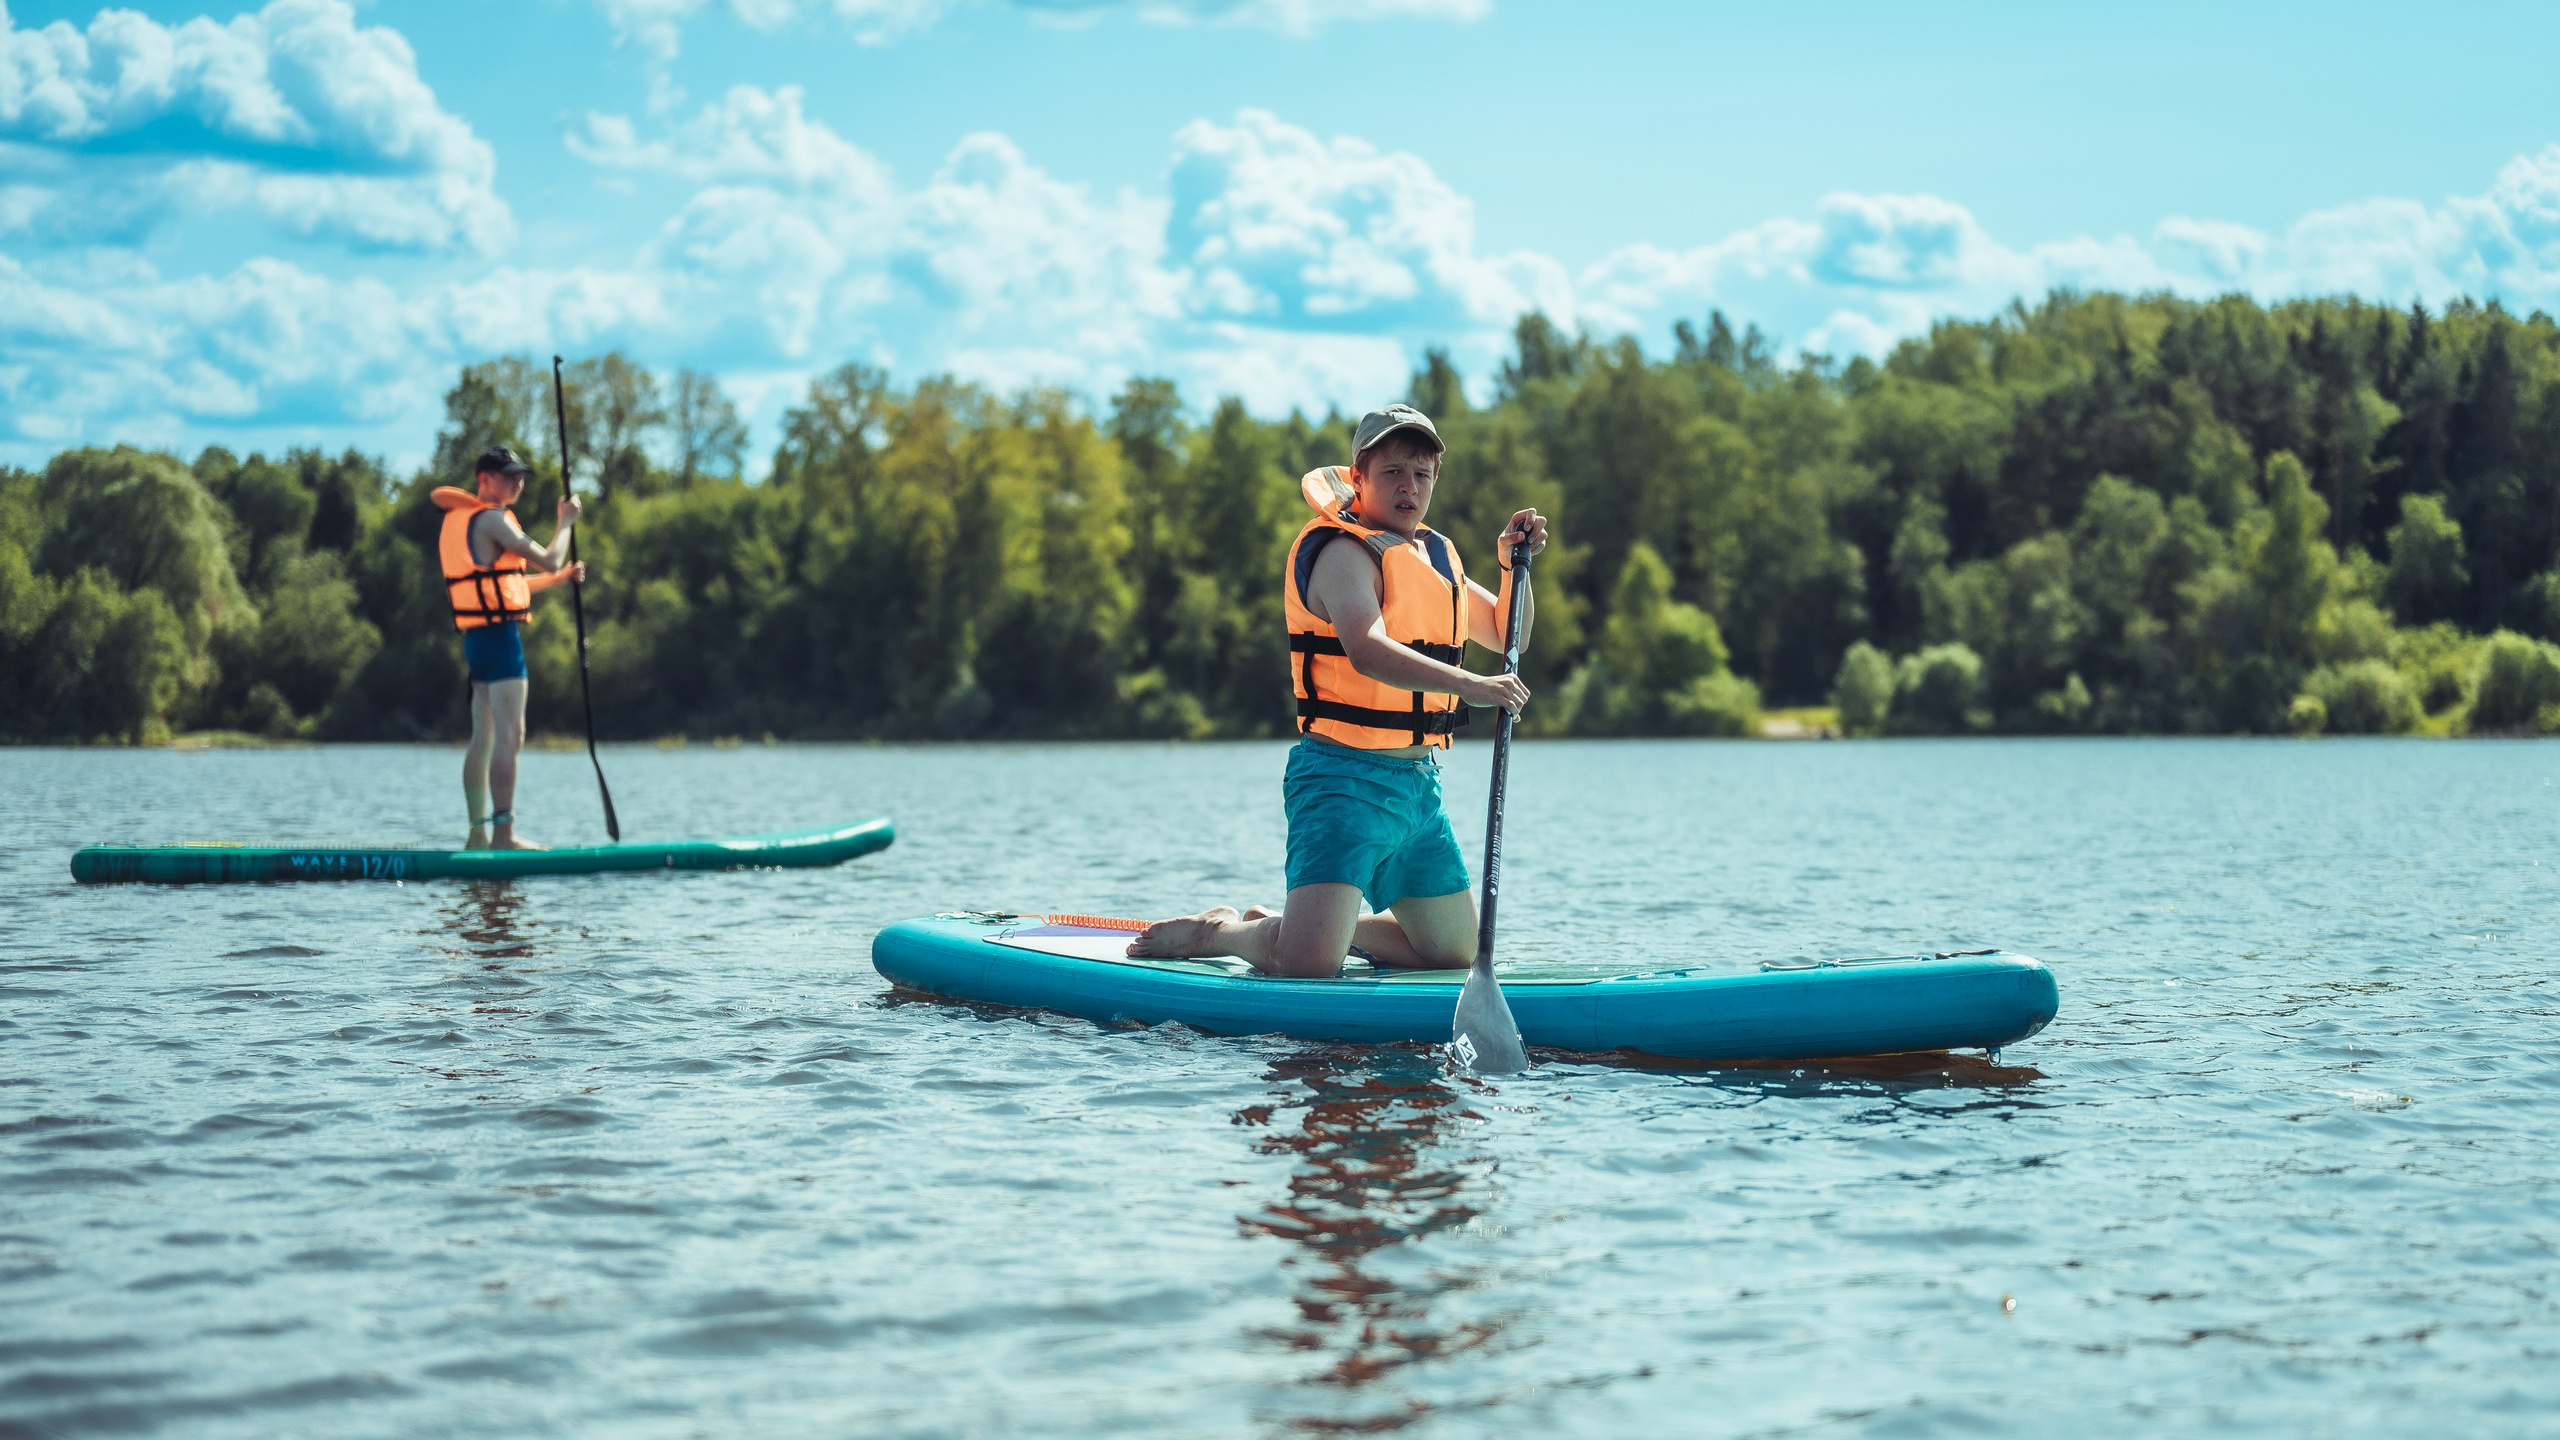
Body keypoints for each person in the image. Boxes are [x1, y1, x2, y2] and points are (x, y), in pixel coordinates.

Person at [1130, 403, 1549, 976]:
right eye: (1392, 472)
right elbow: (1366, 648)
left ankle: (1301, 925)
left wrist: (1509, 567)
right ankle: (1220, 933)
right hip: (1341, 780)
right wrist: (1469, 683)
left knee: (1452, 954)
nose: (1409, 487)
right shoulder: (1341, 553)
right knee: (1308, 967)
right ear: (1358, 477)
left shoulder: (1434, 555)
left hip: (1417, 788)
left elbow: (1508, 634)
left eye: (1421, 474)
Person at [431, 447, 587, 851]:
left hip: (476, 640)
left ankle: (476, 835)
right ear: (484, 479)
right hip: (501, 641)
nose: (517, 483)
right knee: (510, 736)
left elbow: (506, 584)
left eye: (520, 476)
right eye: (508, 476)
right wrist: (565, 522)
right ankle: (504, 834)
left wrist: (560, 580)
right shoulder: (493, 520)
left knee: (482, 738)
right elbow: (550, 558)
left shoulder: (463, 520)